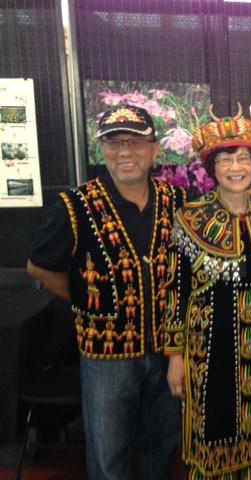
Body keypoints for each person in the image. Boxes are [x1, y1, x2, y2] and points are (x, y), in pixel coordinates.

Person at [26, 105, 186, 480]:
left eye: (135, 142)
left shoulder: (176, 201)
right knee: (109, 456)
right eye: (113, 142)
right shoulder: (76, 205)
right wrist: (83, 298)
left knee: (160, 447)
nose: (124, 151)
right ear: (101, 149)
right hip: (107, 353)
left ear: (155, 150)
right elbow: (38, 266)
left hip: (167, 350)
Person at [164, 104, 251, 479]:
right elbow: (176, 288)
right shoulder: (190, 218)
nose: (236, 167)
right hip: (209, 345)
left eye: (243, 158)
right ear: (212, 168)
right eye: (226, 160)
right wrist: (175, 355)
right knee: (214, 421)